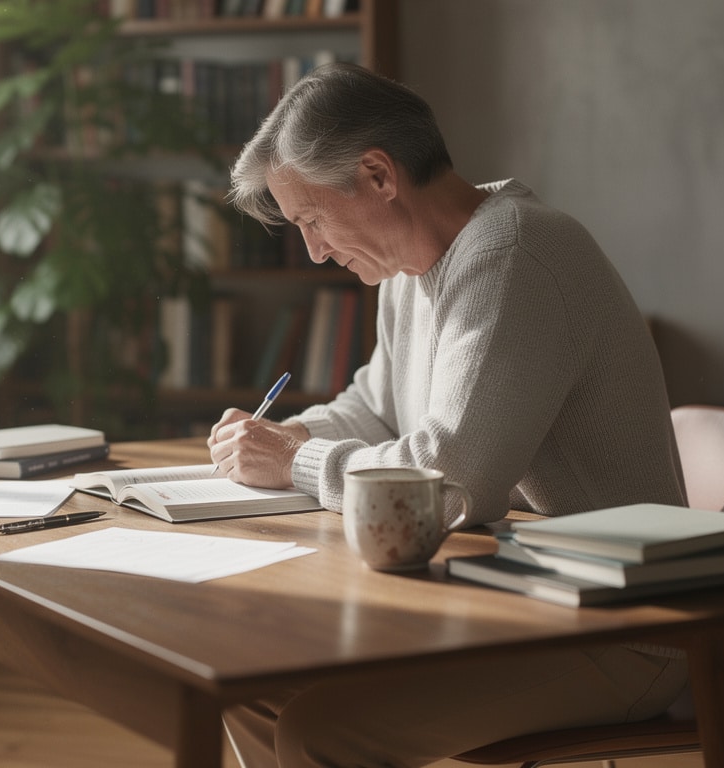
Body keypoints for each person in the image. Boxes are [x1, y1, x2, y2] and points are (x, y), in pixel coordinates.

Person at [207, 62, 688, 768]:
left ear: (378, 176)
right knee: (250, 690)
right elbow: (375, 409)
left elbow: (451, 479)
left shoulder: (514, 252)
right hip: (516, 593)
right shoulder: (409, 268)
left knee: (320, 732)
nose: (313, 249)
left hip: (622, 627)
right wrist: (286, 435)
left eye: (311, 219)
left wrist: (292, 462)